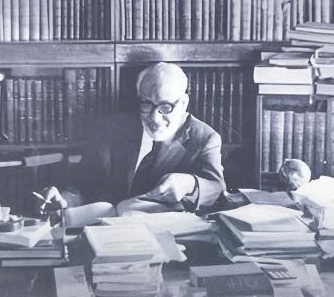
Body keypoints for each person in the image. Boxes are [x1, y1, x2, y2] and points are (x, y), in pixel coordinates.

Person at [42, 62, 226, 218]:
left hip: (165, 235)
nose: (154, 118)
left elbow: (217, 188)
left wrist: (190, 184)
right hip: (105, 231)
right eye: (147, 104)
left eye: (165, 107)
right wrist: (64, 199)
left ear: (184, 103)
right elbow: (82, 184)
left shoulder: (204, 137)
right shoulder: (109, 129)